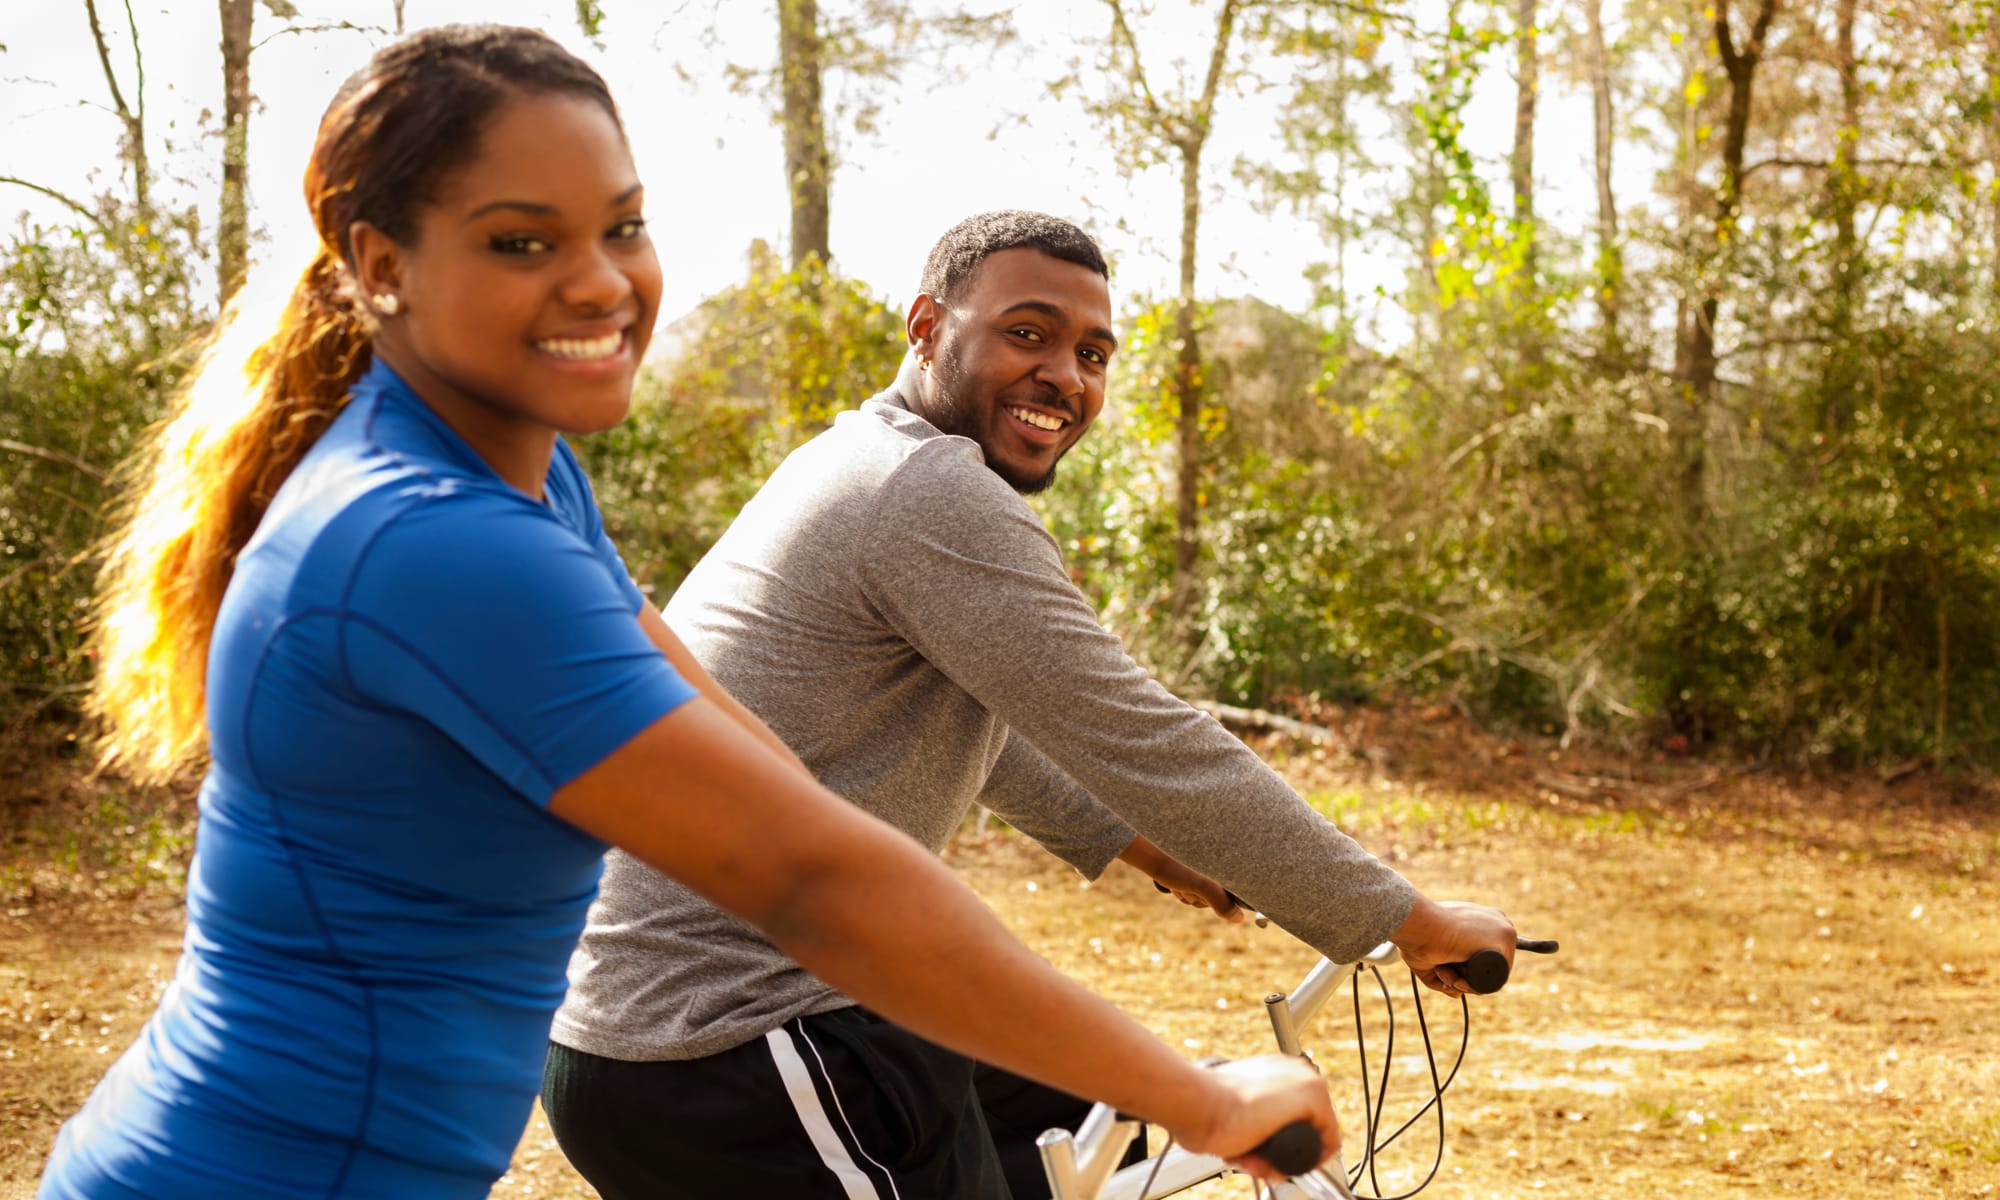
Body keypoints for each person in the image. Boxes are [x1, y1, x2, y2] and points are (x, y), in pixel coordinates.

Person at [37, 33, 1339, 1200]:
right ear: (381, 266)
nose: (604, 284)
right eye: (521, 240)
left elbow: (777, 790)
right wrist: (1203, 1099)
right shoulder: (435, 540)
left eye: (624, 226)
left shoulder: (527, 480)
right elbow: (813, 884)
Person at [544, 210, 1521, 1200]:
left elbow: (991, 728)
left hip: (741, 1016)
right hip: (733, 1039)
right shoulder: (928, 490)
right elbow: (1138, 735)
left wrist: (1140, 845)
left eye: (1092, 351)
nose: (1066, 374)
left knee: (1084, 1116)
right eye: (1026, 333)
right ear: (925, 326)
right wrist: (1407, 919)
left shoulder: (861, 456)